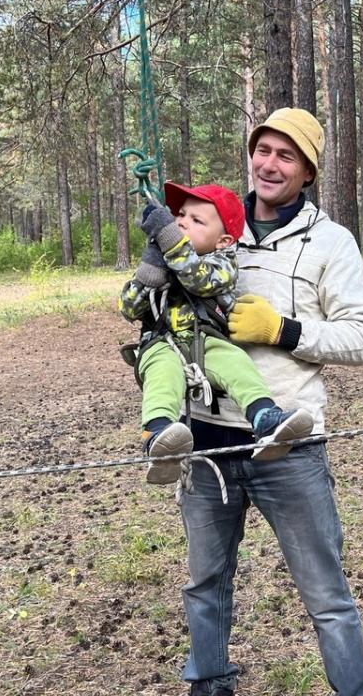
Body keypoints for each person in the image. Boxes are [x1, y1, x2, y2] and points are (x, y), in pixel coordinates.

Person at [164, 108, 363, 696]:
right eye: (262, 149)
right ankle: (210, 688)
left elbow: (360, 339)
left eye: (286, 155)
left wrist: (284, 330)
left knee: (325, 592)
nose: (270, 163)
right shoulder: (212, 228)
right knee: (205, 581)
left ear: (307, 170)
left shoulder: (331, 243)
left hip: (289, 440)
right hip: (206, 437)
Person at [118, 181, 314, 484]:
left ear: (222, 240)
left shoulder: (222, 263)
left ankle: (265, 417)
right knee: (162, 373)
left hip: (206, 341)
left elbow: (200, 281)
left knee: (236, 362)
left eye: (196, 221)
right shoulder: (165, 258)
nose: (181, 223)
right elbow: (128, 308)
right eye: (180, 215)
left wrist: (171, 242)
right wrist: (150, 270)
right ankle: (157, 436)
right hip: (161, 342)